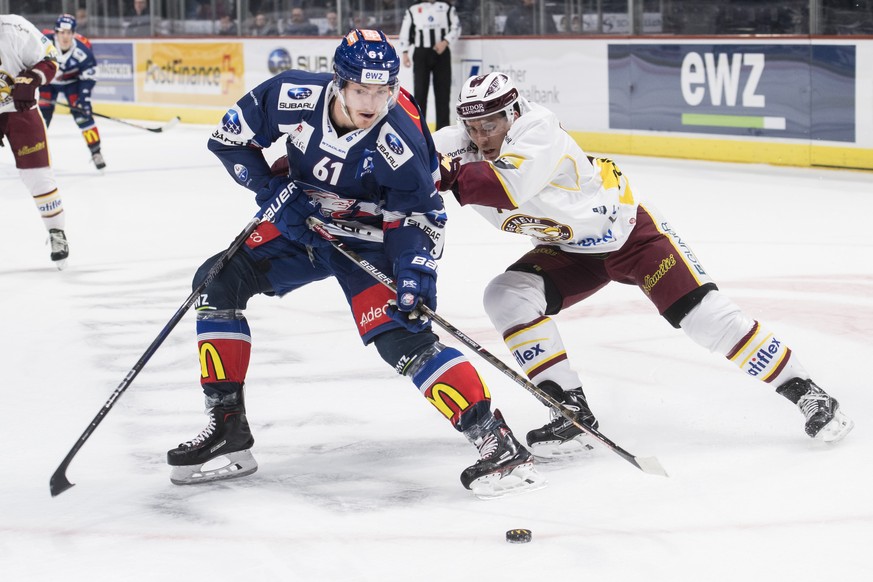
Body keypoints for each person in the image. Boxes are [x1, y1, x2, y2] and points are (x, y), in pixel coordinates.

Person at [165, 30, 545, 499]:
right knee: (216, 281)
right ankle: (228, 428)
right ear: (338, 83)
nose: (372, 102)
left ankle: (495, 441)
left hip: (369, 243)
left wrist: (414, 270)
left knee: (403, 338)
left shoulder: (401, 134)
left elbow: (419, 214)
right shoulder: (291, 94)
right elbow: (229, 139)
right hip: (300, 224)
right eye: (361, 91)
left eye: (382, 91)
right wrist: (271, 191)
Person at [433, 72, 854, 459]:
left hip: (630, 236)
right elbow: (403, 161)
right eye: (473, 127)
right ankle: (569, 409)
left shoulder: (537, 128)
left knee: (706, 320)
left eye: (491, 125)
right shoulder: (461, 141)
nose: (482, 137)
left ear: (514, 112)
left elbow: (505, 186)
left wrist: (441, 175)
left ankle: (808, 393)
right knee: (506, 296)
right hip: (568, 250)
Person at [0, 14, 69, 269]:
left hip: (21, 111)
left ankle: (56, 232)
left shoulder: (15, 29)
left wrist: (33, 78)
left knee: (38, 176)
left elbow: (51, 58)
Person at [40, 14, 105, 170]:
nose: (65, 37)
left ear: (74, 33)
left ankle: (96, 152)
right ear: (56, 32)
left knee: (84, 115)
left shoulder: (84, 51)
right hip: (47, 83)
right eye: (62, 32)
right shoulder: (42, 43)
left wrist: (84, 98)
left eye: (69, 33)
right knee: (41, 119)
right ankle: (34, 154)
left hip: (72, 84)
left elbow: (89, 77)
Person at [398, 1, 460, 131]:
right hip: (421, 54)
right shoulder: (413, 8)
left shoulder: (446, 7)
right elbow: (405, 31)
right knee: (420, 94)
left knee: (443, 94)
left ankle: (443, 131)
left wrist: (445, 42)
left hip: (441, 54)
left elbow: (456, 27)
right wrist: (404, 52)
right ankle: (419, 131)